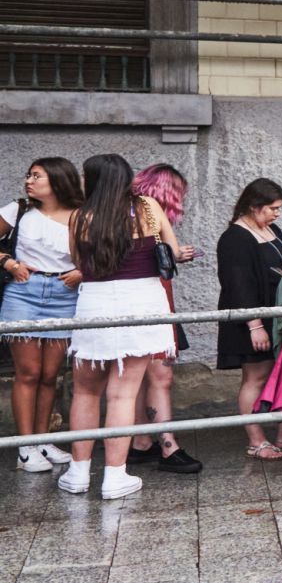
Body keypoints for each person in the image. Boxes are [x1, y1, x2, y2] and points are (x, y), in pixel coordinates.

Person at [59, 154, 180, 500]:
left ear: (91, 180)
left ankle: (78, 472)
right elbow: (170, 249)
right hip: (142, 300)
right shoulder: (148, 207)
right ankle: (115, 476)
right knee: (123, 393)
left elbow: (77, 261)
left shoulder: (80, 216)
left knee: (85, 391)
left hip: (95, 301)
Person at [1, 157, 83, 473]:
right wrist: (9, 262)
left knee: (51, 374)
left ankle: (43, 440)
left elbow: (97, 253)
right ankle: (25, 448)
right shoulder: (18, 210)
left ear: (59, 180)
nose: (29, 180)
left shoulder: (80, 215)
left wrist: (81, 272)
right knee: (29, 372)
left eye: (37, 176)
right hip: (24, 292)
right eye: (28, 174)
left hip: (64, 294)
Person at [215, 177, 282, 460]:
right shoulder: (234, 238)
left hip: (278, 314)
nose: (278, 213)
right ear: (254, 206)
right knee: (256, 376)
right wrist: (254, 325)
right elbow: (237, 285)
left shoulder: (272, 228)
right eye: (273, 208)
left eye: (279, 208)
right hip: (253, 317)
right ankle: (256, 441)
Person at [126, 164, 200, 474]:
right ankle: (168, 446)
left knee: (141, 375)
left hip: (142, 304)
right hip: (152, 303)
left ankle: (141, 442)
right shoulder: (147, 218)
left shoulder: (127, 216)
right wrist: (174, 253)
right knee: (160, 375)